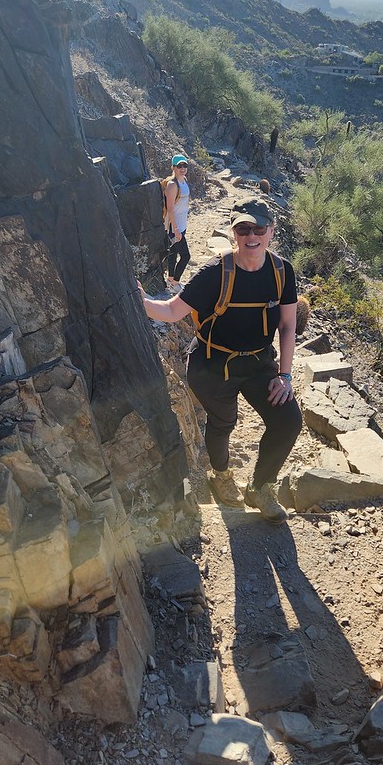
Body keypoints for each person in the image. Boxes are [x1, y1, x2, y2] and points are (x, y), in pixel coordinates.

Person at [138, 197, 302, 525]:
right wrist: (138, 301)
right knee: (223, 422)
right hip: (213, 364)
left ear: (270, 230)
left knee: (288, 421)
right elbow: (172, 311)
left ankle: (260, 487)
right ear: (233, 232)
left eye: (258, 228)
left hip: (258, 363)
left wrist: (284, 375)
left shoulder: (282, 272)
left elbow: (287, 325)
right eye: (243, 228)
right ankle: (221, 475)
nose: (251, 235)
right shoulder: (216, 272)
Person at [164, 153, 191, 291]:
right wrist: (175, 229)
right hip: (175, 226)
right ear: (173, 167)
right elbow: (170, 209)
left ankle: (170, 280)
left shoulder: (184, 180)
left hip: (182, 224)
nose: (182, 168)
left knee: (173, 253)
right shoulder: (172, 185)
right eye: (179, 166)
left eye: (184, 165)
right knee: (186, 256)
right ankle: (175, 283)